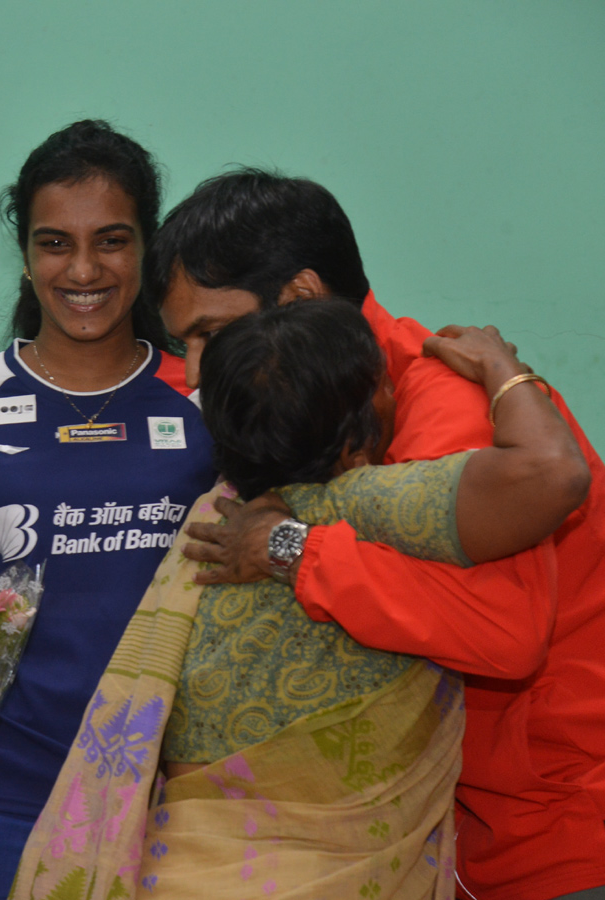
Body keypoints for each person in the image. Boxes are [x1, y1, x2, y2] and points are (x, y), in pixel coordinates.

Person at [13, 298, 584, 898]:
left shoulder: (208, 527)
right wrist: (504, 368)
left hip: (172, 876)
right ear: (354, 439)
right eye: (383, 386)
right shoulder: (374, 506)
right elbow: (553, 471)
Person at [149, 168, 603, 900]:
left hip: (562, 828)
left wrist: (288, 548)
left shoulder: (450, 415)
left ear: (299, 298)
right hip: (448, 841)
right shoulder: (308, 411)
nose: (197, 370)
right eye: (184, 342)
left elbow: (507, 629)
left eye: (210, 333)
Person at [0, 120, 217, 899]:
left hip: (182, 802)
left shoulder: (214, 398)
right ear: (24, 252)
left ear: (147, 248)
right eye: (55, 243)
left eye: (111, 241)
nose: (82, 268)